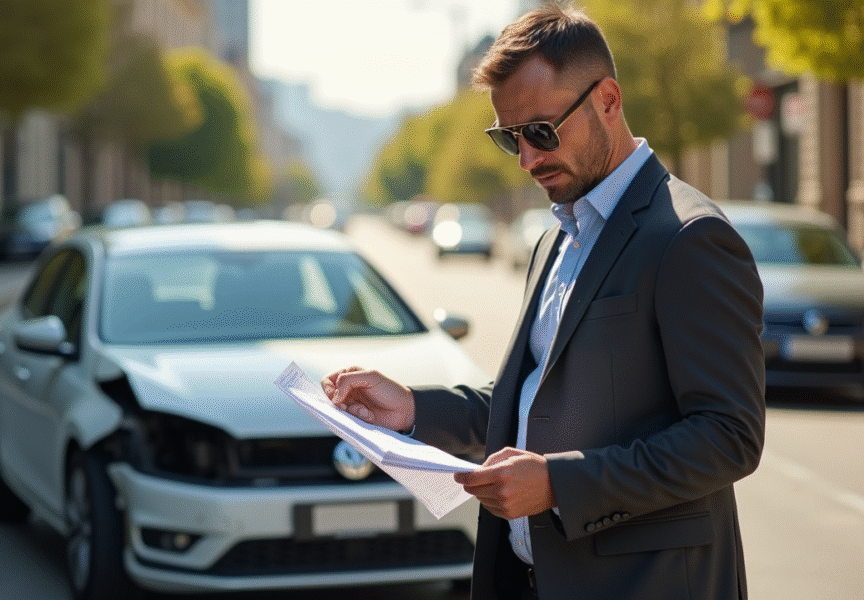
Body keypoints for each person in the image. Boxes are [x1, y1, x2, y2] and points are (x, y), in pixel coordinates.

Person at [321, 4, 765, 600]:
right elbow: (534, 408)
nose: (529, 159)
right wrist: (411, 410)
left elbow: (728, 436)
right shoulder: (557, 236)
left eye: (541, 132)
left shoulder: (689, 238)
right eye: (510, 138)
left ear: (608, 99)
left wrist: (559, 483)